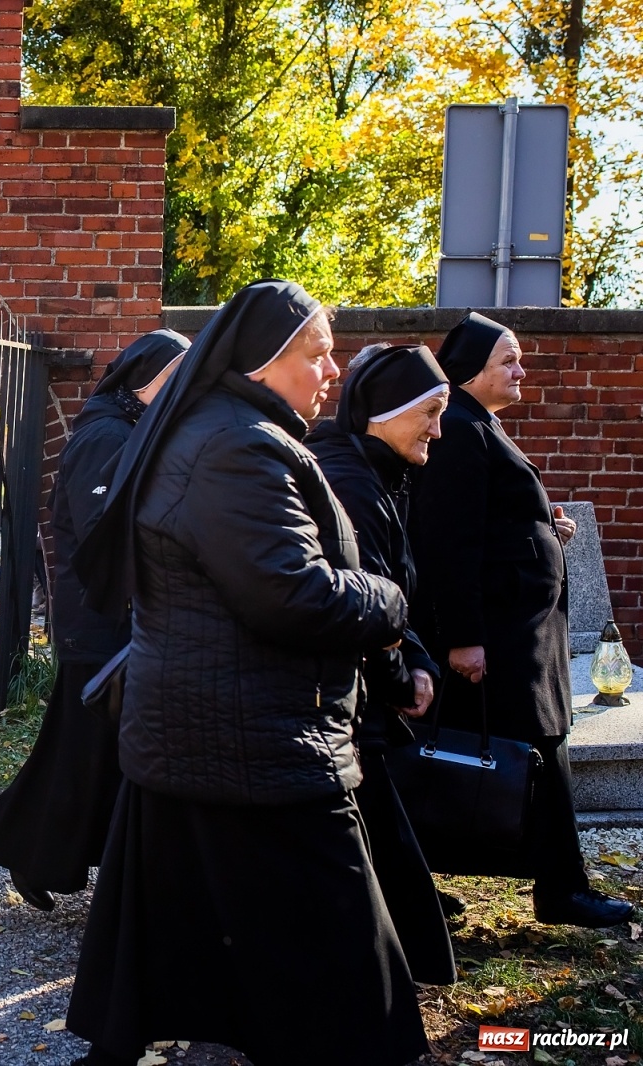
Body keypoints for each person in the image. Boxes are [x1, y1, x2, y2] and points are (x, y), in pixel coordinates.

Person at [67, 280, 425, 1066]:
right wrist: (390, 600)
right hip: (255, 741)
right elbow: (289, 595)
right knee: (351, 970)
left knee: (193, 945)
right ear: (267, 360)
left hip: (212, 732)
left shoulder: (230, 429)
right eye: (318, 353)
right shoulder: (237, 445)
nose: (331, 372)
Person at [409, 312, 634, 928]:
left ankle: (539, 884)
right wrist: (463, 638)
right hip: (499, 637)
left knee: (528, 749)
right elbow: (448, 544)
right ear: (471, 372)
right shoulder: (458, 429)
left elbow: (494, 521)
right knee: (522, 751)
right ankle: (560, 889)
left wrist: (542, 529)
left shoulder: (476, 425)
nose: (520, 370)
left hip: (517, 633)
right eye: (506, 360)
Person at [0, 329, 188, 911]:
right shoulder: (106, 436)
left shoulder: (127, 430)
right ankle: (27, 848)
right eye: (173, 381)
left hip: (110, 618)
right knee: (80, 749)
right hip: (99, 622)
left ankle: (51, 854)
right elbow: (104, 533)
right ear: (141, 383)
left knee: (88, 751)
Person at [304, 343, 458, 985]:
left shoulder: (374, 473)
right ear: (386, 413)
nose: (438, 428)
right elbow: (363, 594)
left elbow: (393, 587)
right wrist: (400, 676)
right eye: (430, 411)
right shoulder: (353, 483)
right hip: (347, 698)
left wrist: (413, 656)